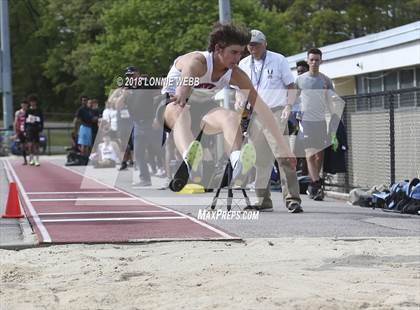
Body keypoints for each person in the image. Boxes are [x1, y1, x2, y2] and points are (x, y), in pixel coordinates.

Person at [156, 23, 296, 191]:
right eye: (234, 52)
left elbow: (263, 110)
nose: (238, 59)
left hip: (203, 111)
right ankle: (191, 159)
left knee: (230, 117)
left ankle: (238, 162)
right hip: (172, 106)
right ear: (218, 49)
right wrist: (181, 91)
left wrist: (284, 147)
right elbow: (184, 85)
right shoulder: (198, 62)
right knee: (181, 109)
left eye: (240, 53)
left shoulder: (236, 74)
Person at [238, 29, 303, 213]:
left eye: (257, 44)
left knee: (283, 156)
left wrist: (289, 107)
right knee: (259, 160)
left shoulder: (278, 59)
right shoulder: (243, 64)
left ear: (265, 43)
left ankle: (292, 199)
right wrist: (239, 98)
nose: (253, 47)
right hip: (255, 115)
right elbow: (239, 88)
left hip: (275, 113)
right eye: (250, 44)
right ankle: (262, 200)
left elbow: (291, 86)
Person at [295, 48, 342, 201]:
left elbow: (331, 101)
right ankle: (316, 184)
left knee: (319, 154)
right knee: (310, 152)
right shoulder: (300, 80)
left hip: (321, 120)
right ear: (308, 61)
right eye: (312, 59)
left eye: (317, 59)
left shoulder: (326, 81)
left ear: (321, 61)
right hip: (305, 120)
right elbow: (291, 99)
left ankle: (313, 181)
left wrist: (334, 117)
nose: (314, 62)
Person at [25, 95, 44, 166]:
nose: (32, 103)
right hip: (29, 128)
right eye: (31, 102)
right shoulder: (28, 110)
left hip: (36, 128)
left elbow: (41, 120)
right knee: (30, 144)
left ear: (36, 102)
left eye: (34, 102)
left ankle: (37, 160)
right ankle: (31, 158)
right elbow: (25, 121)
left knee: (36, 144)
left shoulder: (39, 110)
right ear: (30, 102)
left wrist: (41, 128)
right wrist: (25, 129)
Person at [13, 100, 29, 165]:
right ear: (21, 105)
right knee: (23, 145)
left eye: (25, 105)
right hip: (20, 130)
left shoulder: (29, 111)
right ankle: (25, 160)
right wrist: (15, 131)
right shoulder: (18, 112)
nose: (24, 106)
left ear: (27, 105)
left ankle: (31, 158)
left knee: (29, 144)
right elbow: (15, 122)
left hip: (28, 130)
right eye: (23, 105)